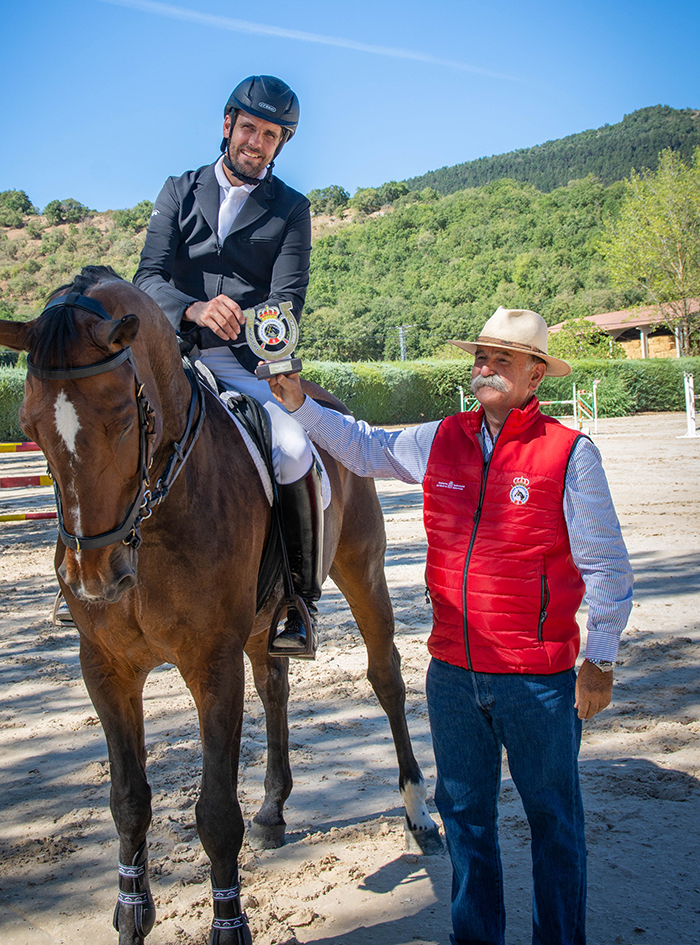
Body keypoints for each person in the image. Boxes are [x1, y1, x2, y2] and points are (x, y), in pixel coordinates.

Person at [268, 306, 634, 945]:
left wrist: (599, 660)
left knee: (555, 825)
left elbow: (607, 565)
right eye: (481, 358)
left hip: (538, 680)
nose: (486, 368)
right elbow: (366, 447)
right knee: (465, 821)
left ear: (535, 375)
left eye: (503, 360)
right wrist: (299, 405)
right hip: (454, 675)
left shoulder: (570, 453)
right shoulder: (442, 437)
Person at [133, 75, 321, 657]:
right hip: (171, 356)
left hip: (246, 365)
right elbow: (147, 279)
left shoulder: (291, 209)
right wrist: (192, 308)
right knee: (100, 428)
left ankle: (299, 598)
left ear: (280, 144)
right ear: (227, 125)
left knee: (293, 449)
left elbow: (287, 300)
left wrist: (237, 317)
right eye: (249, 129)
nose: (256, 143)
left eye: (270, 135)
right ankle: (80, 580)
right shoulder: (178, 190)